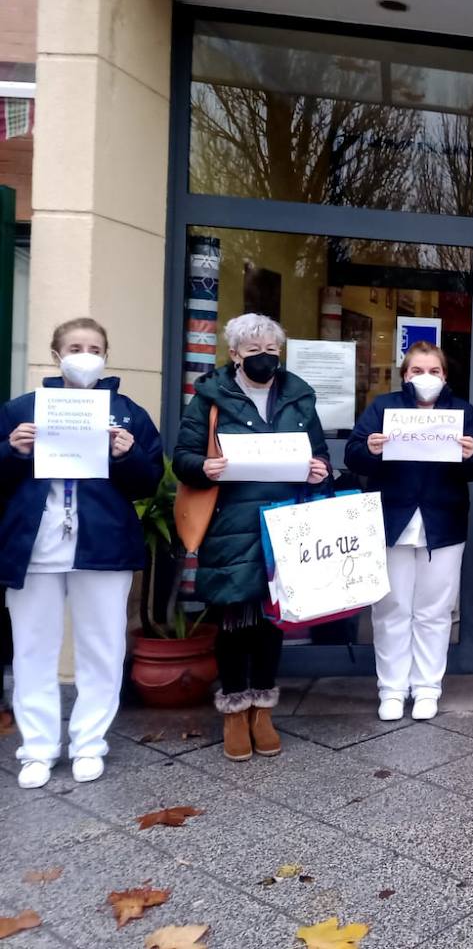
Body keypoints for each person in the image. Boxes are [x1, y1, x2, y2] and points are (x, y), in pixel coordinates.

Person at [0, 318, 162, 789]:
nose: (85, 354)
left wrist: (129, 455)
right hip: (34, 548)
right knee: (32, 650)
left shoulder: (128, 413)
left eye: (94, 347)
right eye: (75, 346)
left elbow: (149, 482)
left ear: (105, 356)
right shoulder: (20, 410)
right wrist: (10, 450)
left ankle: (90, 742)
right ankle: (38, 748)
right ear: (56, 354)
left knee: (102, 649)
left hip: (102, 546)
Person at [173, 314, 330, 761]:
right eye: (254, 350)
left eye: (271, 350)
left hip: (284, 522)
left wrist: (321, 470)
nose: (264, 358)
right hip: (230, 523)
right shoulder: (211, 397)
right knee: (234, 620)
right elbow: (183, 456)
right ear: (235, 354)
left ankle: (263, 709)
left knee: (270, 622)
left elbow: (317, 453)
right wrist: (203, 467)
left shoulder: (298, 395)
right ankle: (234, 709)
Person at [346, 341, 473, 722]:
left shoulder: (461, 410)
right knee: (391, 608)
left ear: (445, 376)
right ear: (405, 375)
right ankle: (391, 688)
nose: (426, 378)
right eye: (417, 371)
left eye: (434, 371)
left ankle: (427, 687)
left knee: (435, 611)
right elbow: (353, 454)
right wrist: (371, 449)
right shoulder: (383, 407)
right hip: (392, 520)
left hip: (443, 523)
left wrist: (471, 454)